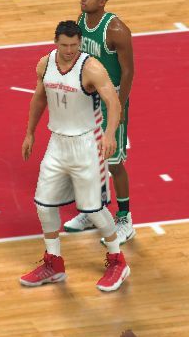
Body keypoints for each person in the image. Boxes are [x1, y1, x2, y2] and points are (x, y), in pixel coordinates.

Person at [19, 20, 130, 291]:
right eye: (64, 45)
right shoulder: (45, 64)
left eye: (74, 45)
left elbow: (114, 103)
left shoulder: (91, 68)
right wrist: (30, 132)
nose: (69, 50)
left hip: (86, 145)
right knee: (44, 205)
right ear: (55, 42)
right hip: (57, 143)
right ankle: (54, 263)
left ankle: (118, 261)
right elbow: (39, 98)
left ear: (80, 43)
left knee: (94, 210)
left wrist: (109, 134)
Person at [60, 0, 136, 240]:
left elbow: (128, 71)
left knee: (113, 163)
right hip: (88, 99)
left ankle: (125, 219)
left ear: (102, 2)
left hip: (110, 98)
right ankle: (94, 211)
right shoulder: (81, 20)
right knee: (87, 159)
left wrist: (119, 106)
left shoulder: (116, 30)